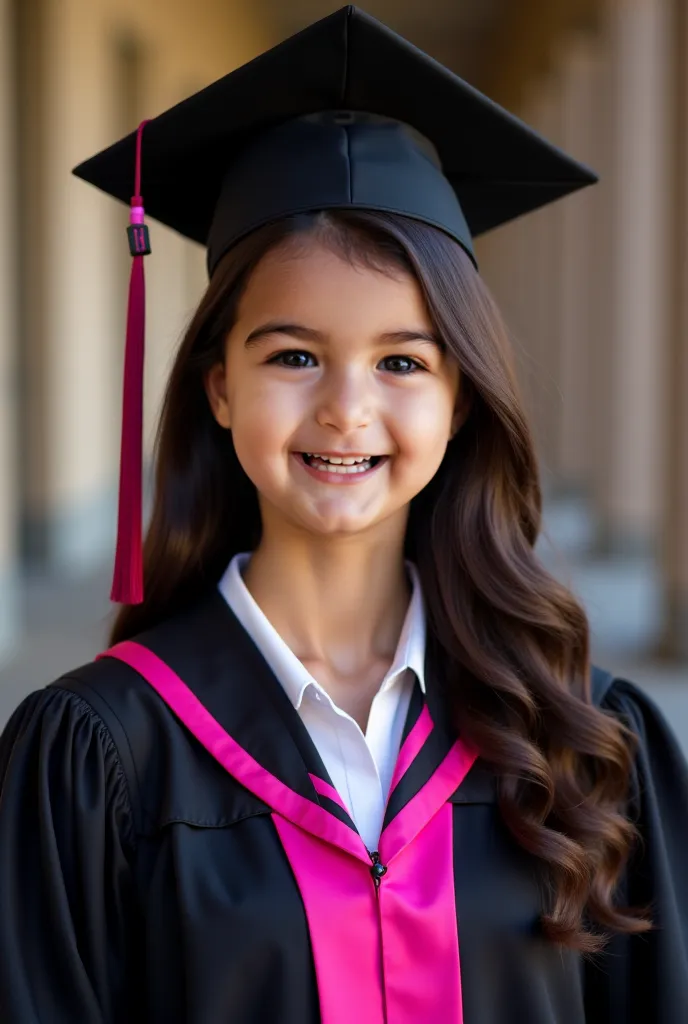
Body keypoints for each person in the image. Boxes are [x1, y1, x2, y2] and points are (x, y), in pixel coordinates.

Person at [1, 6, 687, 1023]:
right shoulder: (96, 758)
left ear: (461, 400)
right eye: (292, 355)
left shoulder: (580, 737)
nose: (345, 409)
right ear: (218, 386)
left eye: (402, 361)